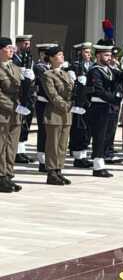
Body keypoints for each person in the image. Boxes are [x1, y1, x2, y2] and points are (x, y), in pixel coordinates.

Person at [87, 39, 120, 177]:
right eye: (106, 55)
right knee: (99, 137)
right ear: (98, 55)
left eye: (110, 55)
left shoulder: (110, 70)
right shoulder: (95, 71)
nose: (109, 58)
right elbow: (99, 90)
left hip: (109, 107)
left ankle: (102, 162)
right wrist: (115, 99)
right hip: (99, 107)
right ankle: (97, 166)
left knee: (108, 136)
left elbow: (122, 79)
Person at [41, 46, 73, 185]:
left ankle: (59, 170)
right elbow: (52, 95)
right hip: (54, 114)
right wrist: (67, 106)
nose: (62, 56)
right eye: (59, 54)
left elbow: (71, 93)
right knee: (52, 145)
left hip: (66, 115)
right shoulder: (47, 75)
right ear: (52, 58)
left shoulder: (66, 74)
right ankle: (51, 172)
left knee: (62, 145)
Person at [0, 37, 25, 192]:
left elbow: (22, 91)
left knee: (11, 145)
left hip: (16, 114)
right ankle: (1, 176)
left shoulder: (16, 68)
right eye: (8, 47)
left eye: (12, 48)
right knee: (1, 146)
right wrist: (12, 105)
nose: (11, 50)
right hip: (3, 112)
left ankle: (8, 174)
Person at [68, 42, 93, 168]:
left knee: (87, 130)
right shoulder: (74, 67)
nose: (89, 54)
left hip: (89, 102)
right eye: (86, 52)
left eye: (89, 52)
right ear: (80, 52)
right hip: (79, 102)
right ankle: (78, 157)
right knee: (79, 129)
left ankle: (83, 154)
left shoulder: (92, 66)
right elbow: (72, 86)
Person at [33, 43, 55, 171]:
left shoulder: (50, 67)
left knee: (50, 132)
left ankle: (49, 159)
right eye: (46, 53)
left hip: (51, 103)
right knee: (43, 132)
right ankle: (42, 160)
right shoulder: (39, 67)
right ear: (41, 54)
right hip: (43, 102)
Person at [13, 34, 34, 164]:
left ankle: (21, 150)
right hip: (19, 95)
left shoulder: (28, 58)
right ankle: (16, 152)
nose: (27, 46)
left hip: (29, 95)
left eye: (28, 43)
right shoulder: (14, 59)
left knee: (26, 123)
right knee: (19, 123)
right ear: (19, 44)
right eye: (25, 44)